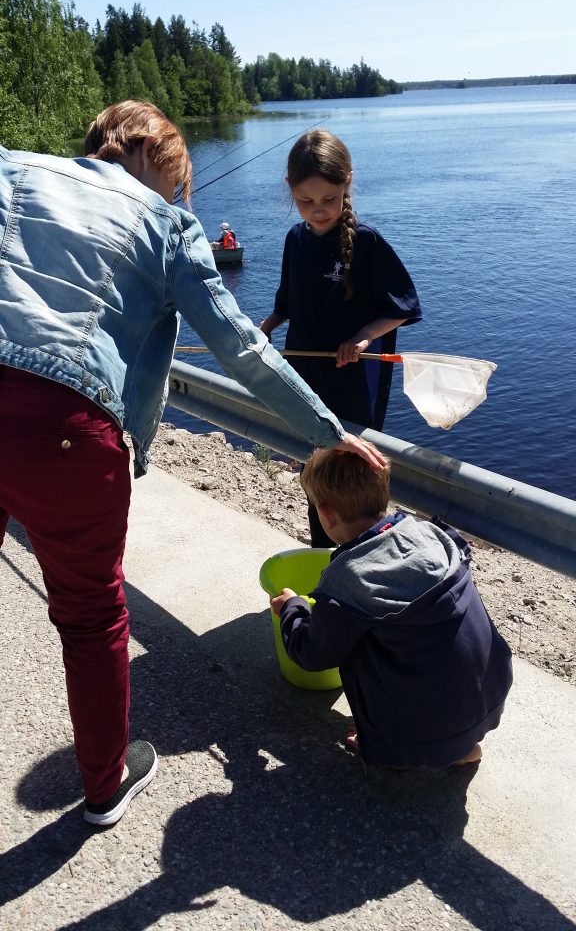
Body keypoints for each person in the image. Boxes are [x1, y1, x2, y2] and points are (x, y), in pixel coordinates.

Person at [0, 101, 386, 827]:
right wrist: (329, 433)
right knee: (88, 620)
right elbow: (245, 352)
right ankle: (103, 785)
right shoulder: (168, 224)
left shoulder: (12, 167)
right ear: (150, 152)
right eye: (177, 180)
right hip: (66, 432)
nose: (179, 196)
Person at [271, 448, 513, 768]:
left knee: (356, 643)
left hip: (431, 725)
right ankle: (461, 747)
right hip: (490, 695)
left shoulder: (349, 577)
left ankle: (398, 744)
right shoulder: (428, 533)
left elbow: (313, 655)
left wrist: (294, 608)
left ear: (326, 514)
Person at [259, 129, 422, 548]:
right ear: (290, 190)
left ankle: (362, 555)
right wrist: (265, 328)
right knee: (316, 467)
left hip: (354, 378)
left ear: (347, 182)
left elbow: (402, 307)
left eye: (329, 199)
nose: (318, 211)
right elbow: (288, 303)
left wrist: (363, 337)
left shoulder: (366, 242)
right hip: (305, 372)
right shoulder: (295, 240)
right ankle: (323, 554)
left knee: (352, 472)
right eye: (306, 201)